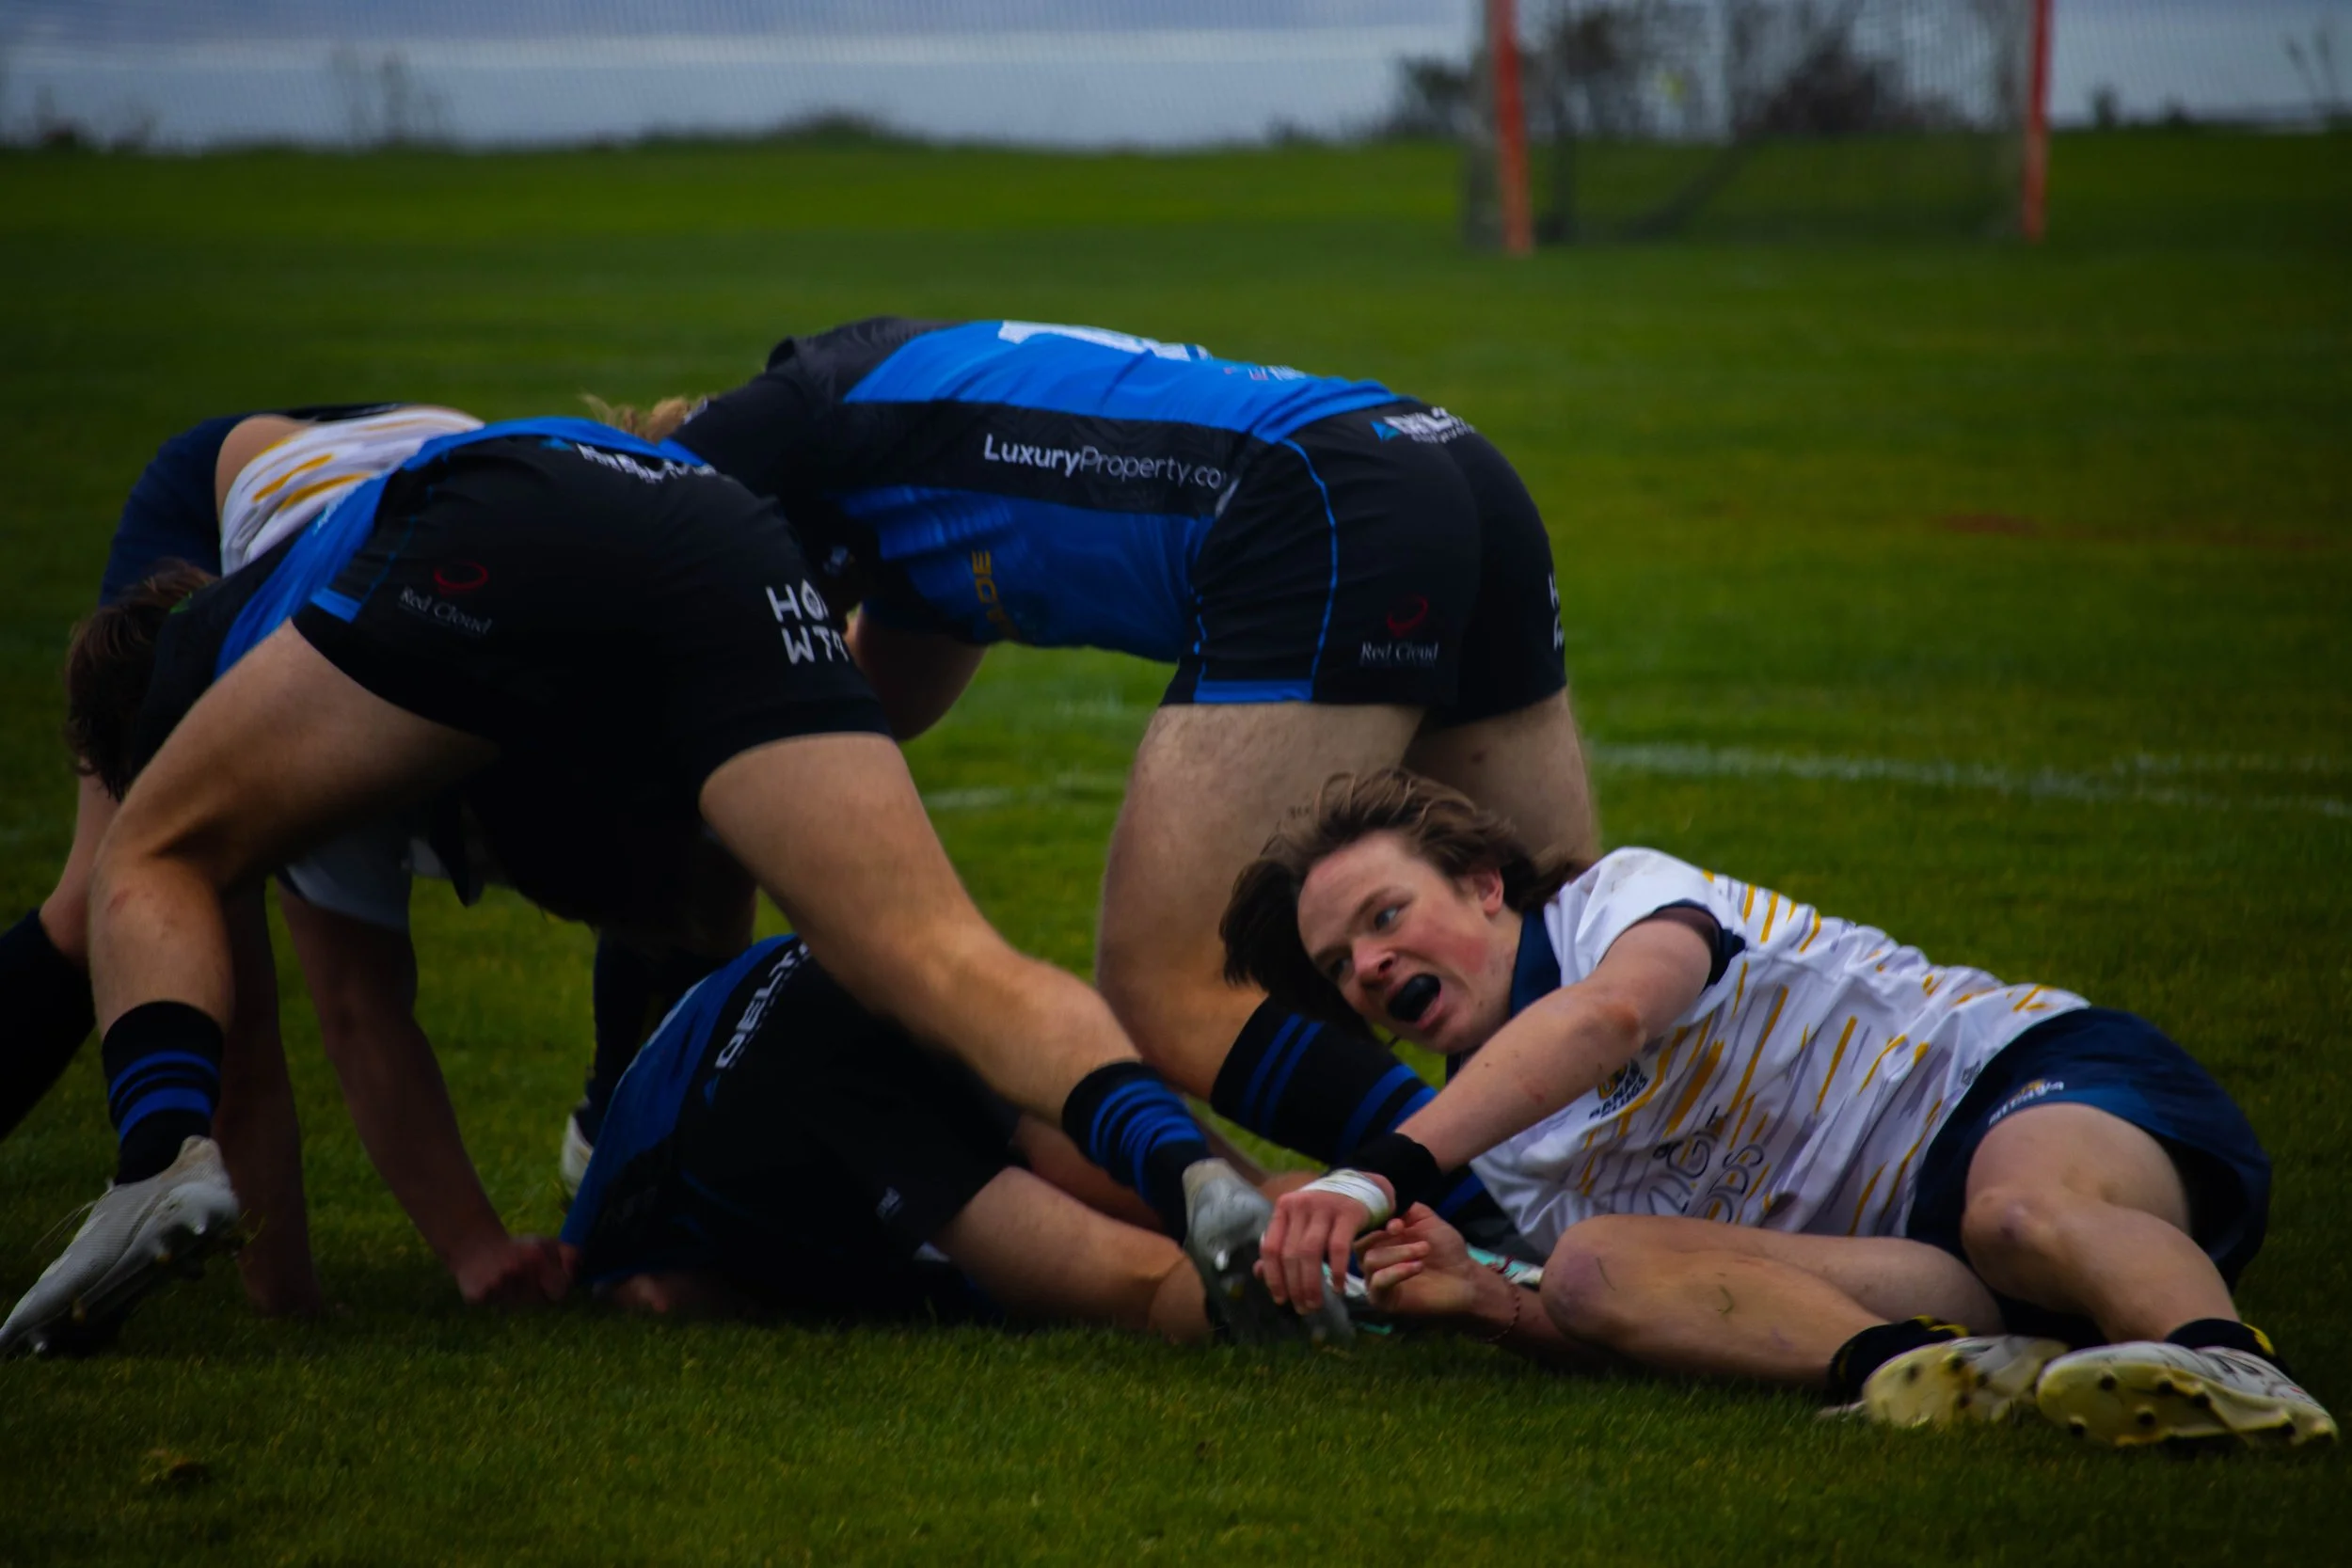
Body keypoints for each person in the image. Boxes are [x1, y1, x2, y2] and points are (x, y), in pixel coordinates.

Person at [0, 413, 1304, 1357]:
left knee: (151, 854)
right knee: (938, 951)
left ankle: (153, 1155)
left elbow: (340, 1023)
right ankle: (1183, 1164)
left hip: (491, 527)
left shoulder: (219, 663)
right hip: (705, 516)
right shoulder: (333, 501)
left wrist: (319, 1286)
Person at [602, 317, 1598, 1253]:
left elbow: (640, 534)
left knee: (1166, 987)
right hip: (1438, 460)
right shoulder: (898, 509)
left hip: (1320, 498)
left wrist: (618, 1081)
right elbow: (834, 724)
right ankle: (1666, 1200)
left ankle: (1496, 1219)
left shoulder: (769, 427)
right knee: (1554, 926)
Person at [1226, 769, 2336, 1449]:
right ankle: (1937, 1372)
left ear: (1482, 881)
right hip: (1911, 1256)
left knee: (2018, 1214)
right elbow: (1669, 1308)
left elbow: (1609, 1016)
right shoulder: (1505, 1150)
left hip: (2013, 1083)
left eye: (1385, 914)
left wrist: (1375, 1170)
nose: (1370, 963)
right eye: (1342, 962)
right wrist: (1479, 1298)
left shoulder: (1613, 900)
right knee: (1587, 1267)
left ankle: (2231, 1367)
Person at [566, 932, 1245, 1344]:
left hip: (784, 1023)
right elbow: (1149, 1279)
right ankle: (1320, 1245)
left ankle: (1320, 1234)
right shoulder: (851, 1102)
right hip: (781, 1041)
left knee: (1179, 1229)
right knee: (1170, 1250)